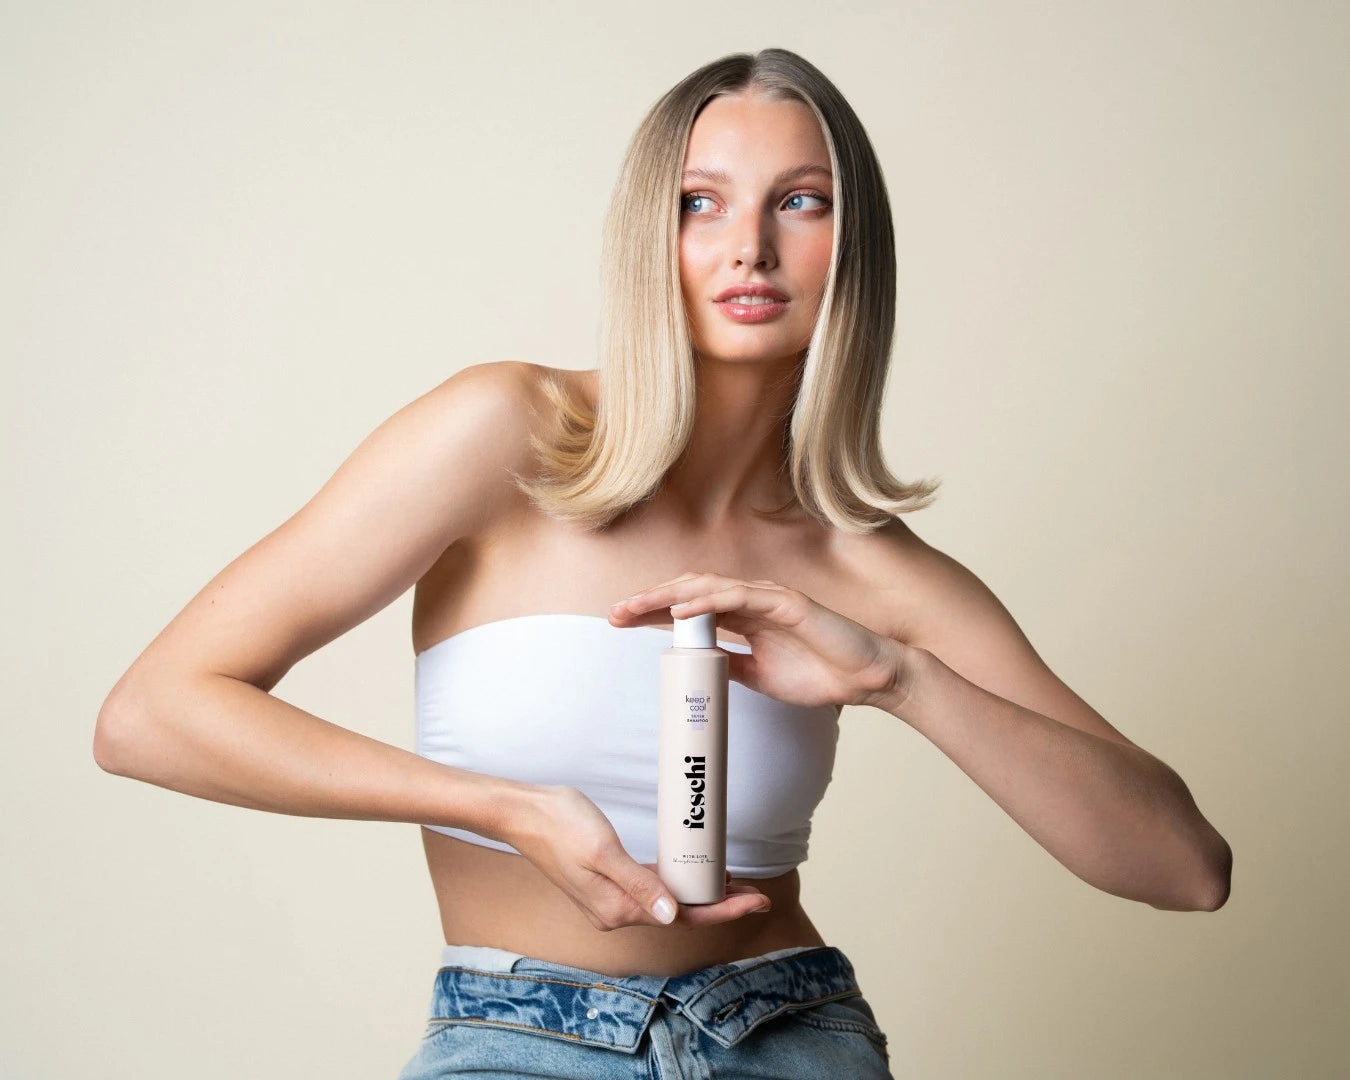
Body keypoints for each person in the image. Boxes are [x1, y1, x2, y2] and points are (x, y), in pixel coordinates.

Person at [93, 47, 1232, 1080]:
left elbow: (1185, 868)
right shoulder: (507, 436)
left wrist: (898, 678)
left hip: (789, 1037)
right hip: (515, 1041)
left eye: (801, 201)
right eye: (700, 203)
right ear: (651, 234)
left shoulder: (870, 569)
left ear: (855, 247)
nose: (750, 247)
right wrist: (505, 810)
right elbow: (151, 716)